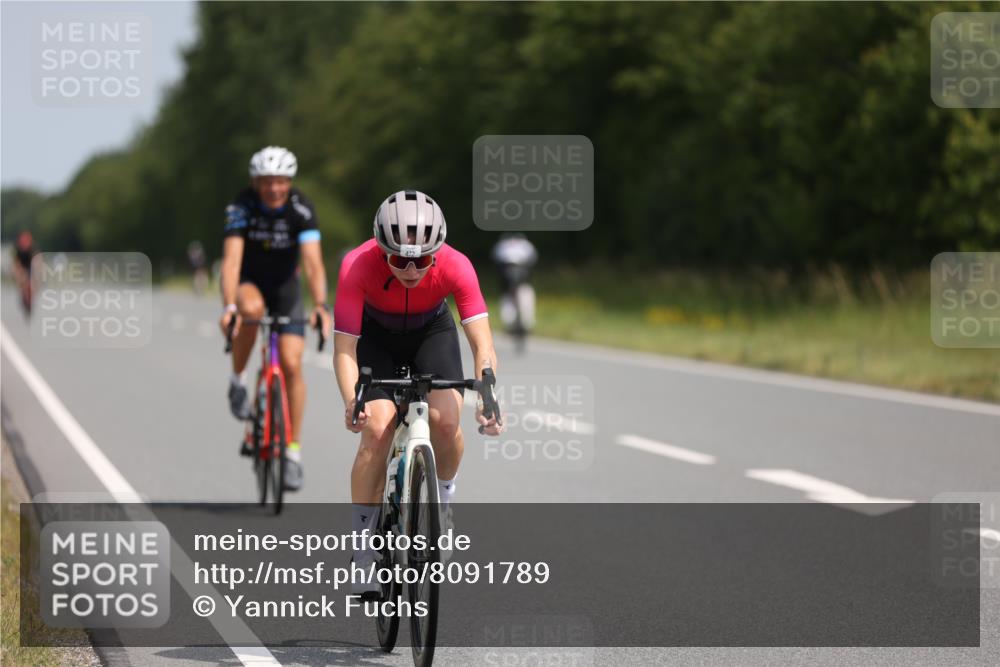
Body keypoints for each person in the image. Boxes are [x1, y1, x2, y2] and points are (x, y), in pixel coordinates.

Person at [333, 190, 503, 593]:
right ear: (380, 250)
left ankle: (442, 502)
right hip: (376, 337)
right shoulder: (357, 265)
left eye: (422, 260)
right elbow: (344, 349)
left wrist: (489, 395)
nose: (411, 269)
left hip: (431, 331)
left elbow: (482, 345)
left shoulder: (457, 266)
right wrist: (351, 400)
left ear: (437, 252)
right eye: (399, 260)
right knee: (377, 428)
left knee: (445, 421)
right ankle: (361, 551)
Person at [218, 146, 332, 491]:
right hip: (250, 284)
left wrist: (321, 305)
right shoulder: (241, 207)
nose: (274, 189)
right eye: (267, 182)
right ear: (255, 182)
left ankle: (292, 453)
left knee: (293, 363)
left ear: (289, 182)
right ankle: (238, 380)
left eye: (281, 182)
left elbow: (312, 262)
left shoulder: (301, 208)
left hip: (286, 288)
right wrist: (229, 308)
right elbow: (232, 261)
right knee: (250, 312)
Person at [491, 232, 537, 345]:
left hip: (520, 281)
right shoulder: (524, 245)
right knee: (512, 297)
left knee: (523, 295)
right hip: (510, 282)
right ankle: (516, 323)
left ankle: (523, 322)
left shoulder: (503, 245)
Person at [12, 230, 36, 317]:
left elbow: (37, 258)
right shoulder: (18, 249)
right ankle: (23, 298)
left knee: (31, 285)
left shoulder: (31, 248)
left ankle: (30, 299)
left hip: (30, 267)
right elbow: (16, 262)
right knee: (23, 284)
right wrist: (17, 272)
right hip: (22, 267)